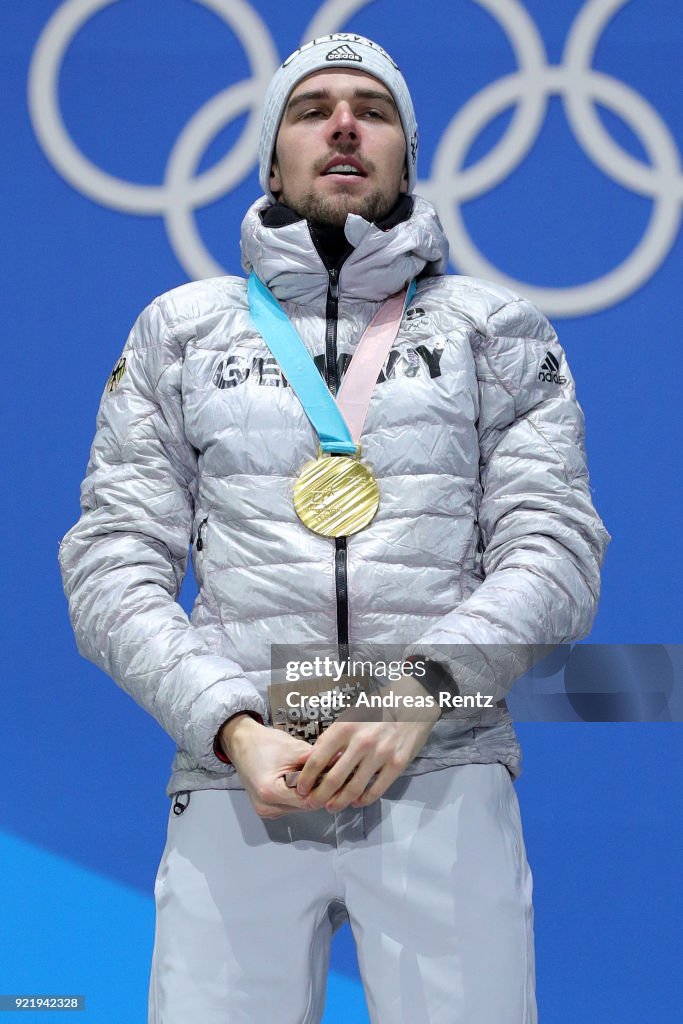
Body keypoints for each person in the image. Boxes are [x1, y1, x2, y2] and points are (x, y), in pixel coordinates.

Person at [59, 32, 609, 1024]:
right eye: (311, 110)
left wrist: (420, 691)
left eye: (373, 108)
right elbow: (110, 565)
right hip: (242, 784)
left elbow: (555, 552)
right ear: (273, 159)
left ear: (408, 152)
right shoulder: (178, 331)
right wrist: (229, 728)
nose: (344, 124)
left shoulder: (498, 328)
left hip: (441, 768)